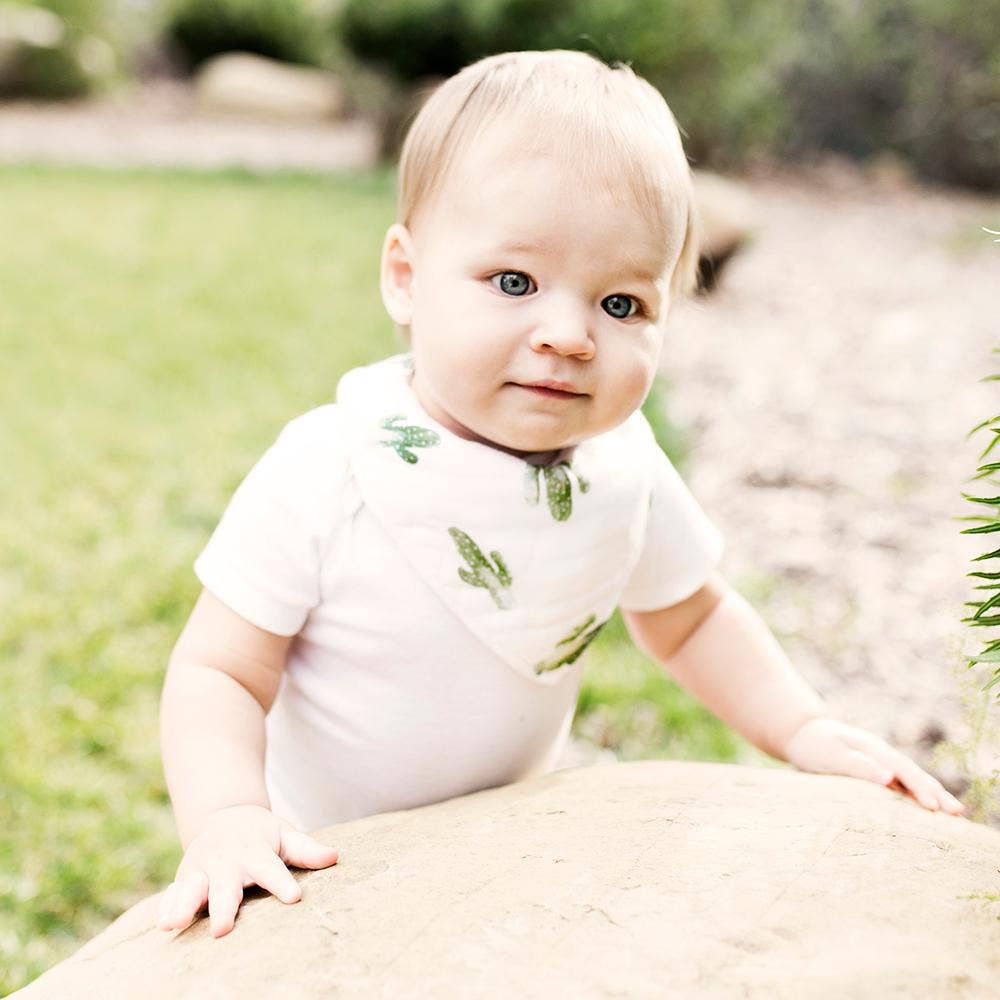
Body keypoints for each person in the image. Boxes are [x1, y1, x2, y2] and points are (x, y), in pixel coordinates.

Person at [157, 49, 964, 940]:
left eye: (621, 305)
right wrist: (232, 818)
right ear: (404, 278)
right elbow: (219, 671)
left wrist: (801, 726)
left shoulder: (619, 467)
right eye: (514, 283)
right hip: (322, 858)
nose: (569, 335)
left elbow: (690, 618)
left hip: (500, 847)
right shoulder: (333, 466)